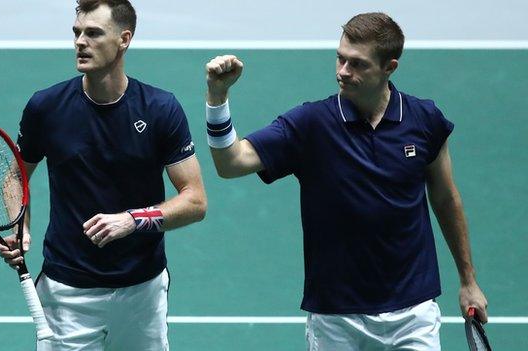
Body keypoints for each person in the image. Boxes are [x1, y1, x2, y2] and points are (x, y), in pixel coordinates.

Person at [204, 12, 487, 350]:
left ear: (389, 67)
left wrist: (468, 281)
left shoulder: (425, 120)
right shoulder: (311, 124)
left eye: (357, 64)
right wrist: (217, 98)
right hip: (337, 316)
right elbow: (231, 163)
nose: (342, 71)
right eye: (340, 58)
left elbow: (445, 199)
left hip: (412, 311)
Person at [0, 0, 207, 350]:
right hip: (68, 292)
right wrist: (21, 228)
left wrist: (132, 220)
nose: (80, 42)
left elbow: (195, 200)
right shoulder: (46, 107)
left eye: (93, 33)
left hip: (142, 290)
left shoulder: (160, 109)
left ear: (124, 39)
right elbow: (15, 177)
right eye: (77, 32)